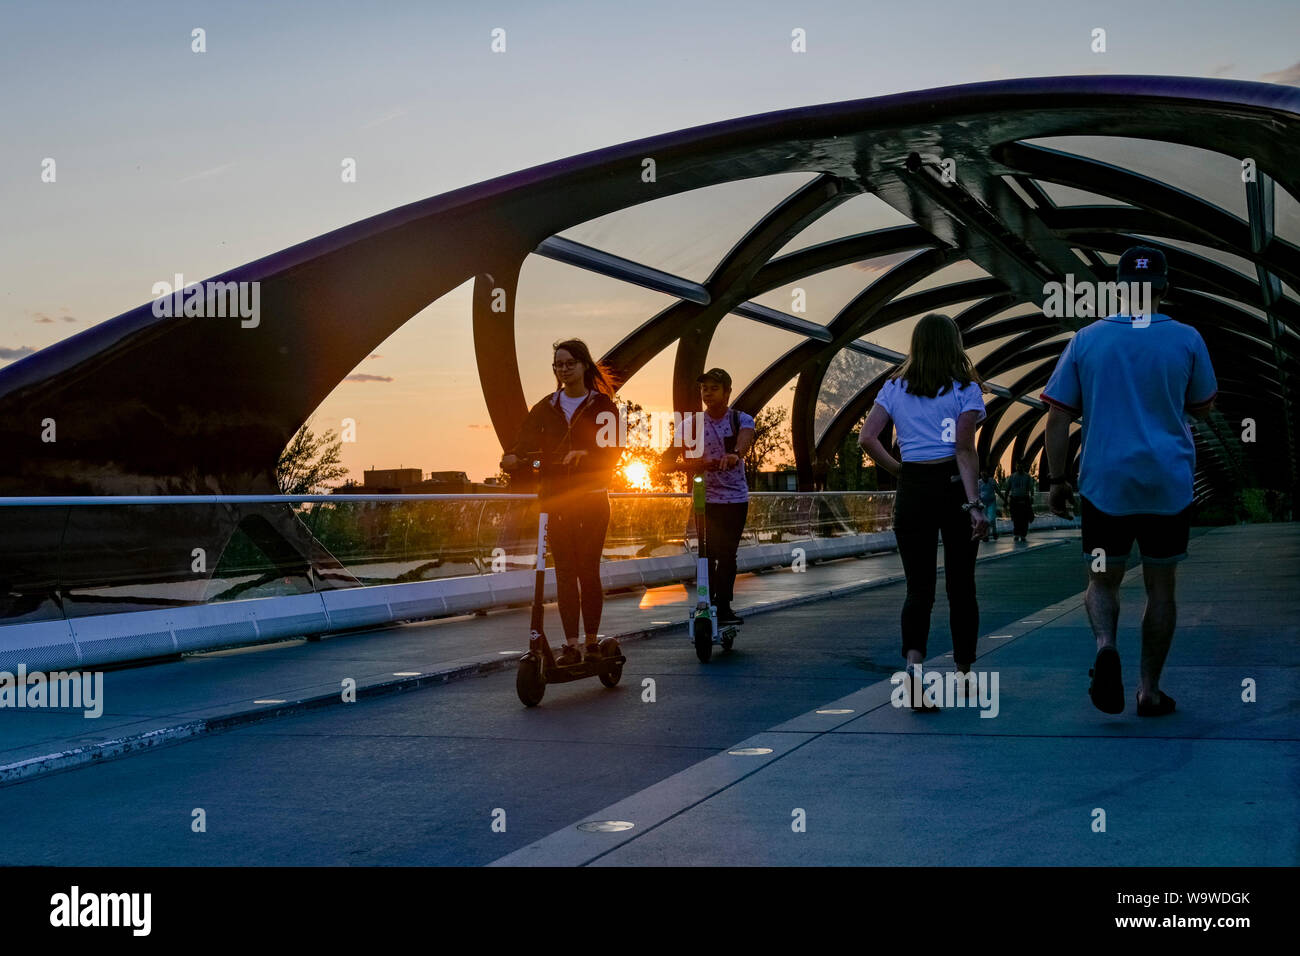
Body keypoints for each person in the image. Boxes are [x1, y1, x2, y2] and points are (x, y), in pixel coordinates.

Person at [1041, 246, 1218, 717]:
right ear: (1165, 287)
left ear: (1118, 287)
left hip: (1105, 483)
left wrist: (1057, 480)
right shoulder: (1187, 339)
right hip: (1167, 482)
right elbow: (1203, 405)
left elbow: (1056, 417)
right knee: (1162, 587)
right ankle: (1149, 691)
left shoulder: (1086, 339)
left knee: (1102, 579)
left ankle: (1105, 645)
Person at [860, 313, 989, 708]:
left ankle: (914, 672)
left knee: (919, 589)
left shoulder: (895, 387)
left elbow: (868, 438)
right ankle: (964, 673)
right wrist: (974, 505)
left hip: (913, 488)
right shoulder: (966, 390)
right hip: (952, 487)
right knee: (961, 587)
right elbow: (964, 450)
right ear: (954, 345)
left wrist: (902, 470)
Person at [501, 339, 622, 664]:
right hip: (556, 501)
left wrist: (589, 455)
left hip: (592, 499)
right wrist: (513, 458)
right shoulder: (545, 408)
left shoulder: (603, 407)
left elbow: (614, 453)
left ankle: (592, 642)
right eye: (558, 365)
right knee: (565, 572)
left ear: (584, 365)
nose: (563, 370)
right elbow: (524, 445)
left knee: (587, 570)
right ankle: (571, 645)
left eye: (569, 363)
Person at [665, 368, 755, 626]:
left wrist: (735, 454)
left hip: (736, 498)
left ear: (727, 392)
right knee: (708, 551)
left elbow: (744, 441)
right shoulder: (690, 425)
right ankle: (708, 602)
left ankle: (722, 606)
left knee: (727, 554)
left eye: (714, 388)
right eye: (704, 388)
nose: (707, 393)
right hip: (706, 498)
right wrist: (682, 463)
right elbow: (669, 458)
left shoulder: (741, 419)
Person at [1005, 461, 1035, 541]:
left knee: (1024, 518)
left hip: (1024, 499)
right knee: (1016, 518)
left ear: (1023, 467)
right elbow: (1007, 488)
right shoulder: (1012, 477)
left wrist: (1032, 497)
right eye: (1018, 466)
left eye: (1021, 466)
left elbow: (1031, 488)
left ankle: (1023, 534)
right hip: (1015, 499)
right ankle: (1017, 533)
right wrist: (1005, 500)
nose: (1019, 468)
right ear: (1016, 467)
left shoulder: (1027, 477)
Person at [978, 471, 1000, 540]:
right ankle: (987, 534)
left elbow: (997, 490)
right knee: (985, 519)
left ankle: (994, 532)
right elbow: (977, 494)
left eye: (986, 476)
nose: (985, 478)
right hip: (983, 503)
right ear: (981, 476)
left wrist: (1004, 499)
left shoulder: (992, 481)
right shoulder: (979, 483)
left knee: (991, 518)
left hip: (991, 502)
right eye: (983, 476)